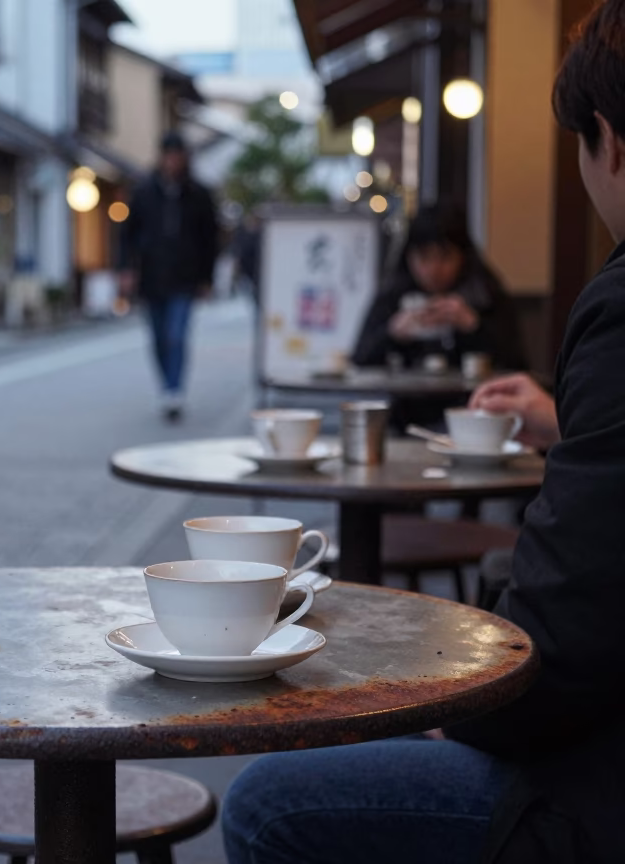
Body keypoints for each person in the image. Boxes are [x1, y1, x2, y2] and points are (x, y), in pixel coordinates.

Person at [221, 3, 625, 862]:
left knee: (268, 802)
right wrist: (556, 416)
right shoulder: (397, 304)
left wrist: (460, 717)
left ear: (609, 141)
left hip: (594, 782)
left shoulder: (615, 312)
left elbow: (572, 634)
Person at [353, 204, 526, 372]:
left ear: (463, 256)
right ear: (408, 257)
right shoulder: (393, 296)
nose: (434, 269)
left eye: (445, 256)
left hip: (475, 399)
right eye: (424, 257)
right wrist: (392, 334)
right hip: (407, 400)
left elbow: (517, 363)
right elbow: (359, 359)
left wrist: (473, 326)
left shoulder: (485, 295)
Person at [119, 132, 219, 423]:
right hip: (151, 276)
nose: (173, 162)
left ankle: (174, 389)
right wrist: (126, 268)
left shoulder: (198, 194)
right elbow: (126, 235)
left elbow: (210, 240)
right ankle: (166, 384)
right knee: (159, 337)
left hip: (185, 277)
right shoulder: (143, 191)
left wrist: (207, 278)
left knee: (177, 334)